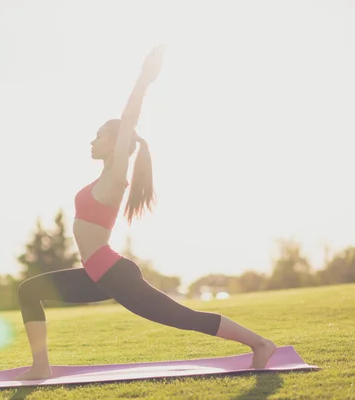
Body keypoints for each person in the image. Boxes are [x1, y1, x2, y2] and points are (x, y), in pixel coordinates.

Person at [16, 45, 277, 381]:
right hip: (97, 275)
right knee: (29, 291)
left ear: (116, 143)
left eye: (99, 137)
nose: (91, 141)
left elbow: (128, 120)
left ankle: (260, 344)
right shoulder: (103, 177)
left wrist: (144, 79)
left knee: (186, 318)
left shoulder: (115, 176)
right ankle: (41, 366)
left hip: (114, 274)